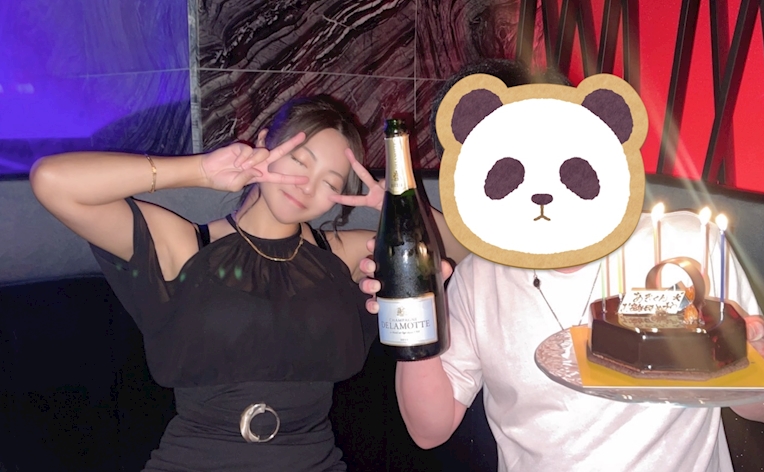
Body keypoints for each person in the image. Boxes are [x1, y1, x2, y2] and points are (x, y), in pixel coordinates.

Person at [358, 61, 764, 472]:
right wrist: (414, 320)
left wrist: (754, 363)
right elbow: (429, 430)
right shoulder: (477, 279)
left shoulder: (684, 242)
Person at [29, 94, 466, 471]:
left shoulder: (344, 255)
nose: (306, 186)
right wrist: (200, 171)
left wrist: (397, 202)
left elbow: (466, 250)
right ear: (264, 144)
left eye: (329, 183)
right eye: (299, 162)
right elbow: (53, 182)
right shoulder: (185, 243)